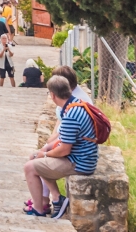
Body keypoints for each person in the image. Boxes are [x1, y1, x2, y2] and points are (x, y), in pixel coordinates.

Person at [22, 74, 99, 219]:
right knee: (35, 158)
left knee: (30, 167)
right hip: (83, 157)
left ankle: (39, 209)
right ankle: (56, 198)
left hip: (79, 163)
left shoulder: (71, 115)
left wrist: (44, 155)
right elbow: (64, 139)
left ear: (52, 95)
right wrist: (45, 149)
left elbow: (64, 149)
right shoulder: (76, 104)